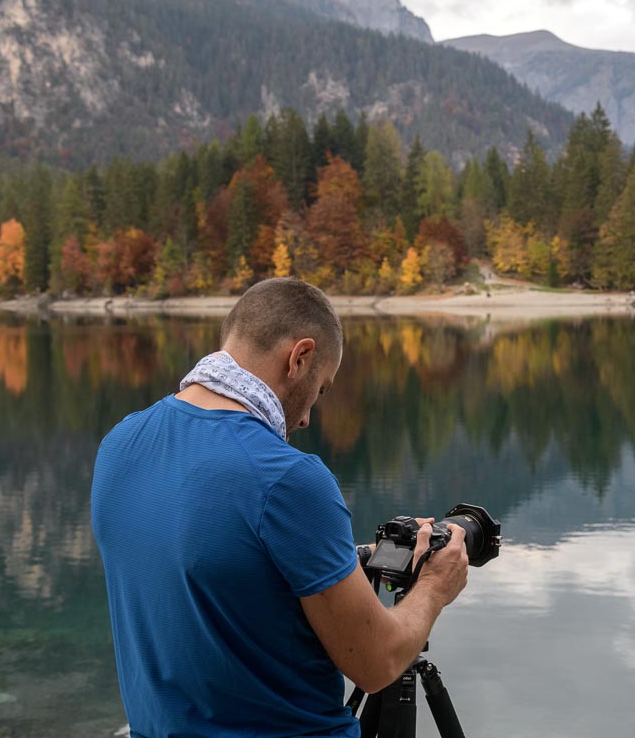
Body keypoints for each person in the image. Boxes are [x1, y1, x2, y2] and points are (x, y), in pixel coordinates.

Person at [91, 278, 469, 738]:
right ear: (300, 357)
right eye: (322, 390)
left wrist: (341, 561)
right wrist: (432, 586)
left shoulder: (120, 444)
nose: (308, 417)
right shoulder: (288, 478)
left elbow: (212, 565)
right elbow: (377, 663)